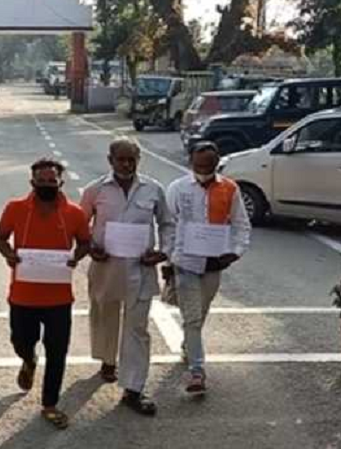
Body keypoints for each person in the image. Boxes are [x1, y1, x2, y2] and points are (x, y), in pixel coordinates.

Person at [0, 158, 91, 430]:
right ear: (32, 182)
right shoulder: (15, 208)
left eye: (52, 181)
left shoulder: (74, 213)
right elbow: (0, 237)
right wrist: (9, 254)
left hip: (59, 298)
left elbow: (85, 242)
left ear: (61, 182)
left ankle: (50, 404)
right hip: (23, 295)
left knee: (57, 351)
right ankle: (28, 360)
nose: (47, 185)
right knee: (21, 341)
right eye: (42, 181)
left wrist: (76, 257)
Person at [80, 138, 171, 416]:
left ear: (138, 160)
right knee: (105, 316)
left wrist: (163, 252)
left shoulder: (153, 189)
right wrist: (90, 247)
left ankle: (133, 389)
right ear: (110, 160)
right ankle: (108, 360)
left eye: (132, 159)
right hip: (106, 268)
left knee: (137, 329)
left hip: (140, 269)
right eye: (121, 159)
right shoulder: (95, 190)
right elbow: (79, 225)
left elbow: (167, 223)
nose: (127, 164)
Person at [166, 141, 251, 394]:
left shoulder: (230, 188)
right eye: (199, 165)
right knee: (192, 317)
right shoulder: (177, 188)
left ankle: (188, 345)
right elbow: (168, 225)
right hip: (185, 262)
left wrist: (235, 252)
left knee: (200, 313)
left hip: (214, 264)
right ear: (190, 161)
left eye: (209, 165)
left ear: (217, 162)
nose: (203, 170)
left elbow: (241, 224)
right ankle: (197, 371)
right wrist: (168, 259)